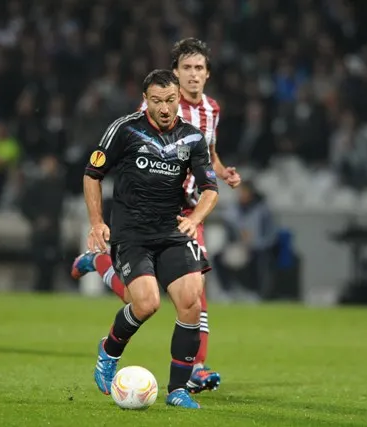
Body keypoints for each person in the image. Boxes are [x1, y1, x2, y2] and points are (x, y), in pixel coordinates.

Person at [72, 38, 241, 394]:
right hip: (134, 223)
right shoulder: (132, 124)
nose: (165, 107)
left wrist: (207, 197)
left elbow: (209, 159)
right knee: (144, 302)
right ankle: (103, 274)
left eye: (199, 68)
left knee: (193, 296)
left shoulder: (205, 118)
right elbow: (94, 172)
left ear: (206, 75)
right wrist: (97, 221)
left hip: (181, 217)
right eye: (187, 69)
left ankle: (184, 382)